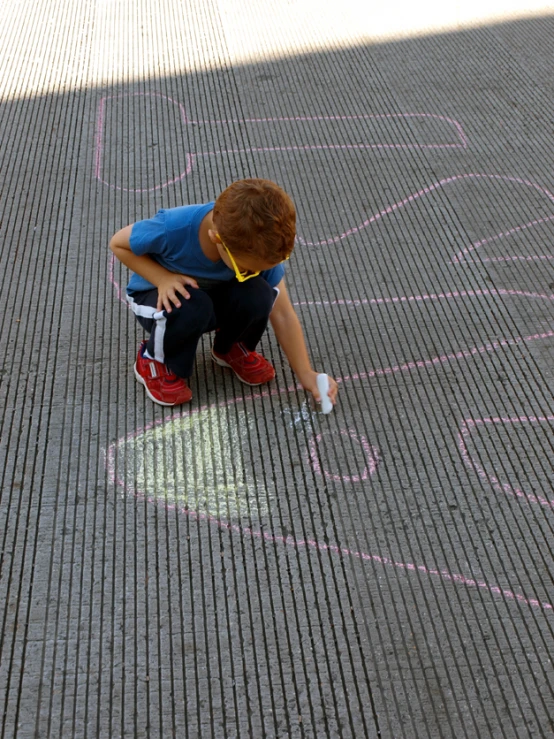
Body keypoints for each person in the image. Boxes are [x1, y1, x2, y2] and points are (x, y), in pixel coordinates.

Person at [110, 177, 339, 408]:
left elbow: (283, 314)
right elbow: (118, 243)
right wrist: (162, 278)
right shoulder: (174, 227)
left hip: (207, 298)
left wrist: (305, 372)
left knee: (260, 294)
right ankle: (155, 360)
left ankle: (229, 348)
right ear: (216, 238)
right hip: (156, 297)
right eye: (245, 270)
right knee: (192, 306)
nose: (252, 272)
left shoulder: (261, 245)